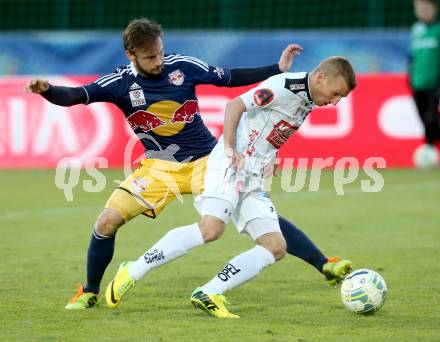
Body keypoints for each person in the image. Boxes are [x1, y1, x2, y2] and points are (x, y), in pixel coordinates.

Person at [25, 18, 352, 310]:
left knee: (260, 216)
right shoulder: (119, 83)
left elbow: (231, 78)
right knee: (107, 221)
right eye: (150, 56)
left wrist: (276, 69)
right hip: (159, 167)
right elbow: (76, 95)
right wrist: (47, 90)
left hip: (207, 161)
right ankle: (91, 290)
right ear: (132, 55)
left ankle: (322, 263)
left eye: (160, 52)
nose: (158, 61)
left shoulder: (183, 66)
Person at [105, 56, 357, 318]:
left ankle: (210, 292)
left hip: (253, 175)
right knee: (211, 228)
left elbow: (270, 128)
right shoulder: (285, 86)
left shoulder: (307, 99)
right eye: (336, 93)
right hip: (230, 164)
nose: (335, 101)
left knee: (275, 246)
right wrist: (228, 148)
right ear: (320, 78)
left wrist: (272, 157)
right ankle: (133, 270)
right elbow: (235, 106)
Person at [410, 0, 440, 167]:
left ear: (434, 9)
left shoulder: (438, 30)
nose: (423, 11)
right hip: (417, 83)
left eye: (426, 8)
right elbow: (412, 58)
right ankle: (430, 150)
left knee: (431, 118)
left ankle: (429, 149)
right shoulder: (416, 30)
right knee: (425, 120)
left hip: (434, 84)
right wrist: (410, 78)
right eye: (419, 8)